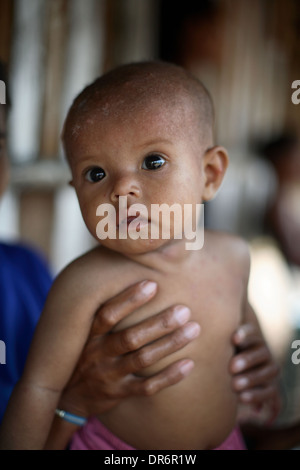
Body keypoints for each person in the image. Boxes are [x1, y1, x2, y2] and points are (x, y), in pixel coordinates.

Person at [0, 61, 282, 450]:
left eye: (153, 162)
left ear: (210, 174)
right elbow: (39, 388)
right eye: (96, 174)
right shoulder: (84, 282)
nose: (121, 189)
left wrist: (260, 366)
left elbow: (244, 335)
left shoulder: (234, 256)